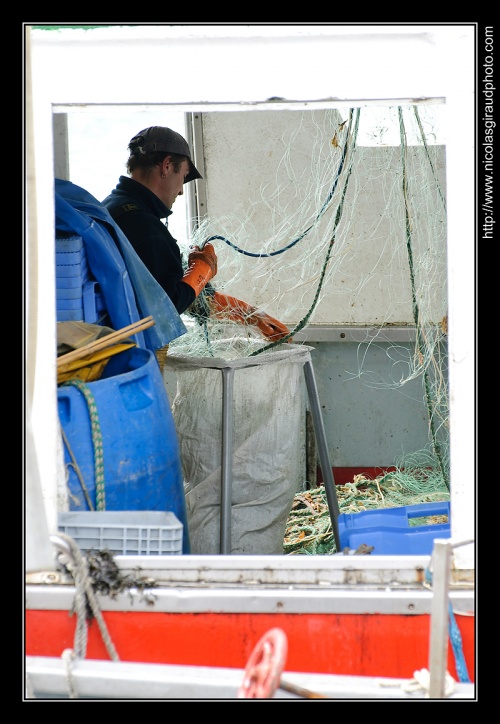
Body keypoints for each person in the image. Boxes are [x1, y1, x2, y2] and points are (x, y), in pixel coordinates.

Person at [101, 126, 291, 342]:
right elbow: (168, 306)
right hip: (128, 351)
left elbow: (179, 294)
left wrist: (250, 315)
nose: (181, 190)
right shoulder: (143, 225)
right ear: (166, 166)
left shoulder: (112, 207)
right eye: (183, 176)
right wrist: (201, 270)